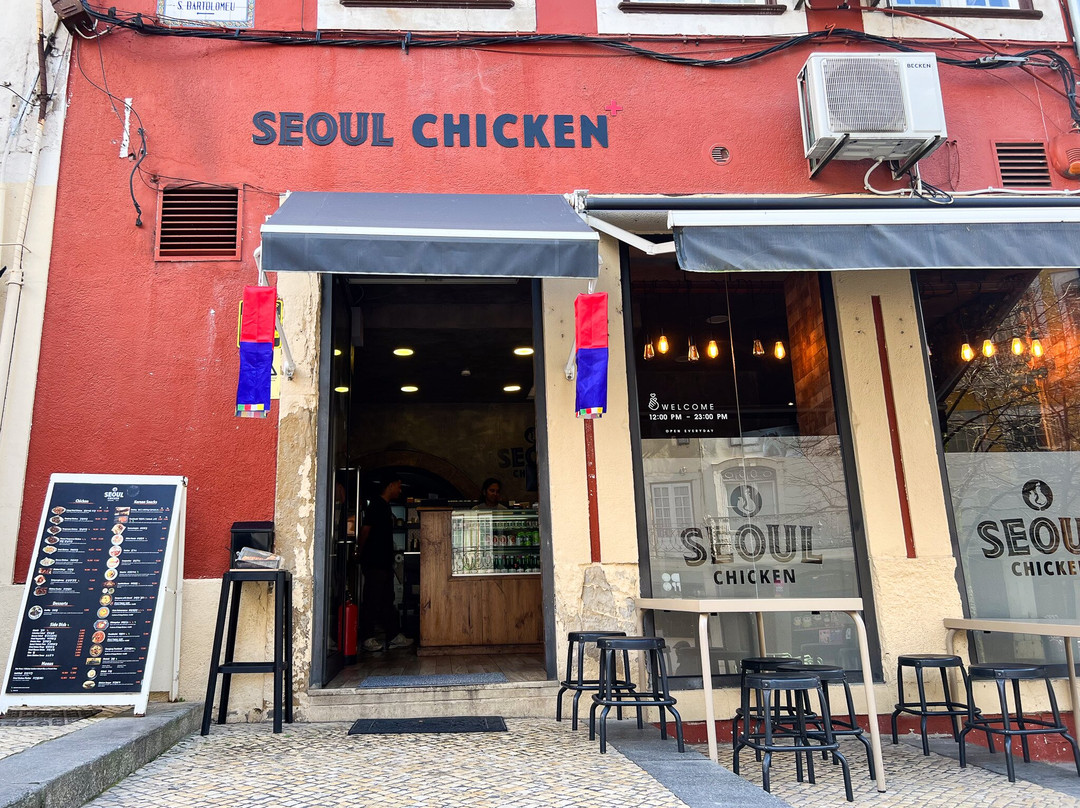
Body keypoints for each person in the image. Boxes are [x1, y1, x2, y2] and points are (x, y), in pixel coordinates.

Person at [358, 477, 413, 652]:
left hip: (384, 561)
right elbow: (365, 530)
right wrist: (359, 551)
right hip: (374, 561)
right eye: (398, 486)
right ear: (390, 485)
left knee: (387, 599)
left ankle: (393, 635)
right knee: (372, 599)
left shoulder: (385, 506)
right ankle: (367, 638)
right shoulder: (376, 504)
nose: (400, 490)